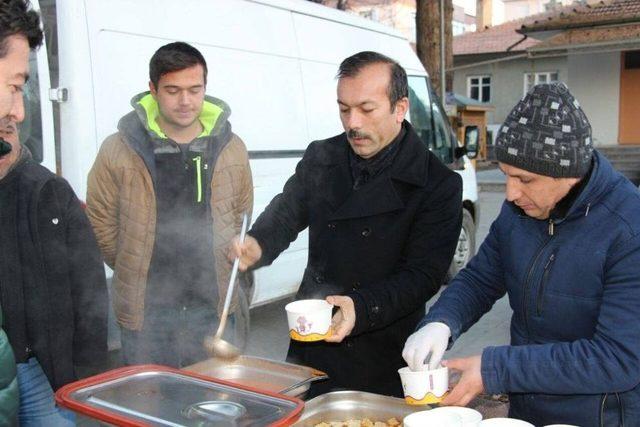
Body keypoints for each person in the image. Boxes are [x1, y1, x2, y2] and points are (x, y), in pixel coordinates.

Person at [403, 82, 640, 426]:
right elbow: (481, 278)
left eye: (524, 179)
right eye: (506, 175)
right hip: (527, 410)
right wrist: (441, 322)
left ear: (569, 173)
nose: (511, 193)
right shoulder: (520, 211)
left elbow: (619, 359)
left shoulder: (629, 227)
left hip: (597, 415)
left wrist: (494, 368)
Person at [231, 51, 463, 398]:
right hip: (312, 348)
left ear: (400, 109)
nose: (353, 123)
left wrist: (362, 306)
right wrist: (257, 244)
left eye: (367, 109)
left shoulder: (437, 183)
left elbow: (423, 276)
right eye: (344, 109)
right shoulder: (322, 157)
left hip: (382, 353)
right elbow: (287, 212)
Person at [86, 42, 253, 368]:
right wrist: (131, 262)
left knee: (214, 407)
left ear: (206, 87)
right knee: (150, 408)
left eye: (195, 89)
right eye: (173, 90)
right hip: (147, 310)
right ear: (152, 89)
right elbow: (100, 221)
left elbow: (241, 212)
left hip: (212, 307)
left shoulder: (232, 148)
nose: (185, 101)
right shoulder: (117, 149)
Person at [0, 118, 108, 426]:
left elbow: (88, 283)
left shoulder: (48, 191)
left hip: (39, 370)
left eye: (8, 130)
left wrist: (88, 369)